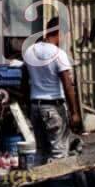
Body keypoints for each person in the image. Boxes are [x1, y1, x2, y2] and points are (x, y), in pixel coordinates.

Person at [22, 17, 82, 163]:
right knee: (59, 154)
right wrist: (74, 113)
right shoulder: (58, 54)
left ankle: (39, 184)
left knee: (41, 153)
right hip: (53, 108)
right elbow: (68, 85)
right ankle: (58, 185)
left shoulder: (30, 51)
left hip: (35, 107)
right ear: (58, 32)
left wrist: (27, 107)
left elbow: (23, 81)